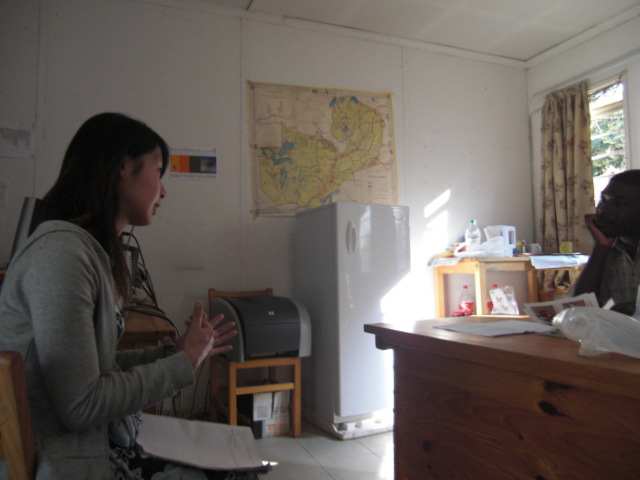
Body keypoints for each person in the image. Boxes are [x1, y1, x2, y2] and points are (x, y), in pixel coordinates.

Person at [0, 113, 253, 479]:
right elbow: (82, 405)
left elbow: (98, 368)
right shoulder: (61, 256)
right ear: (121, 166)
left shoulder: (82, 251)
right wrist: (184, 363)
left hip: (91, 445)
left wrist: (173, 353)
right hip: (67, 460)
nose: (163, 191)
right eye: (158, 171)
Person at [571, 169, 640, 315]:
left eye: (619, 204)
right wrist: (601, 247)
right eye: (603, 200)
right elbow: (579, 309)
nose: (604, 209)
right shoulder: (611, 248)